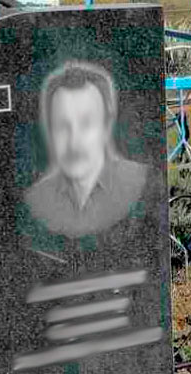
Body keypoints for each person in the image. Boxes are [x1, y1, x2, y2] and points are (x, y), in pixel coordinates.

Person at [23, 61, 147, 240]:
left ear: (106, 125)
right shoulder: (35, 201)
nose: (74, 141)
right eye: (62, 126)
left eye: (86, 124)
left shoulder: (140, 184)